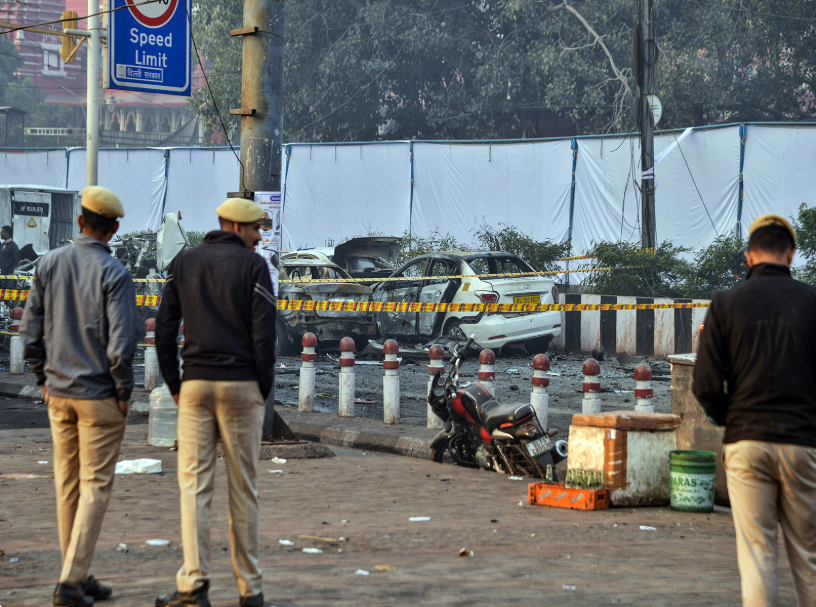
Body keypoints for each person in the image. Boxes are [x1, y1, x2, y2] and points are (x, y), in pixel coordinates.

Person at [19, 186, 138, 607]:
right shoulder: (115, 273)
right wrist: (124, 390)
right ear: (115, 228)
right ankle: (70, 582)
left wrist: (42, 378)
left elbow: (29, 333)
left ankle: (79, 572)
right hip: (99, 396)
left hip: (59, 393)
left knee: (68, 485)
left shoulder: (49, 263)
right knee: (95, 486)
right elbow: (122, 345)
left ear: (81, 222)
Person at [154, 198, 276, 607]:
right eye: (256, 229)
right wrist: (262, 385)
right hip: (240, 385)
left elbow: (164, 326)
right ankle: (250, 591)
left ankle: (192, 585)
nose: (260, 237)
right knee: (244, 489)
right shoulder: (254, 268)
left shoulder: (184, 262)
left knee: (193, 487)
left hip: (195, 385)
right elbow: (265, 335)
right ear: (236, 227)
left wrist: (175, 381)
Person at [694, 214, 816, 607]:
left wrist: (732, 418)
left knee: (758, 556)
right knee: (810, 557)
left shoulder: (725, 303)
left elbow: (706, 385)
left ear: (748, 256)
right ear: (791, 255)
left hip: (746, 443)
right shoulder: (812, 301)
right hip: (803, 445)